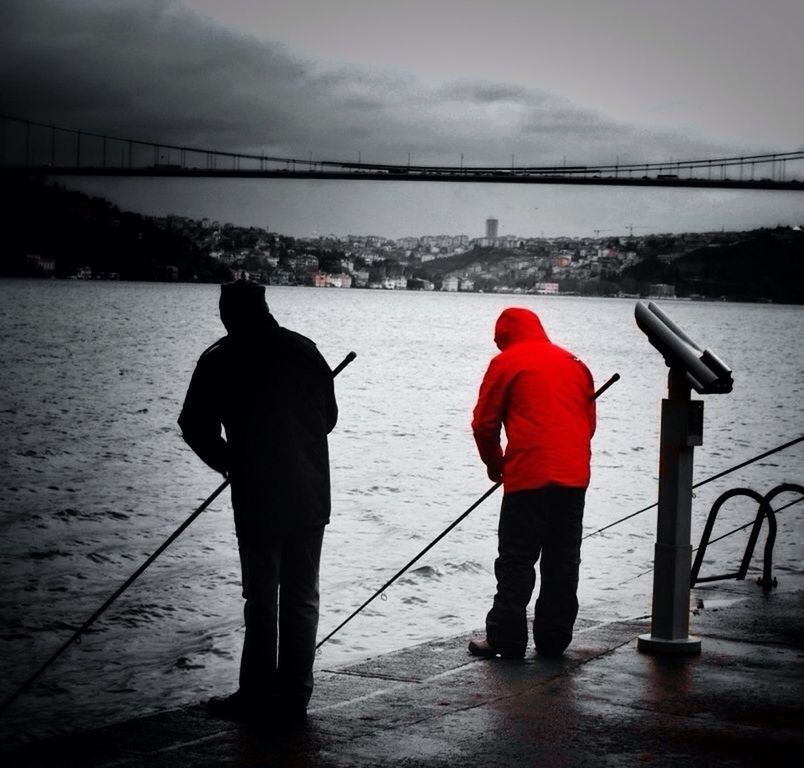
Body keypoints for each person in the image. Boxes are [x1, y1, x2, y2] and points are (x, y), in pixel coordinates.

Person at [178, 279, 338, 722]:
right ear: (266, 308)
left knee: (263, 600)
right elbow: (328, 419)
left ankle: (256, 695)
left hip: (258, 496)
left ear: (228, 314)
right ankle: (294, 697)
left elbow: (194, 425)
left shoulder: (220, 359)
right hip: (309, 494)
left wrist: (229, 461)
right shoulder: (305, 351)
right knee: (302, 598)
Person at [469, 307, 596, 659]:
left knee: (516, 559)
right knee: (563, 560)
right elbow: (587, 424)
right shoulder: (575, 363)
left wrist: (497, 467)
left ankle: (506, 640)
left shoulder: (506, 363)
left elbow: (483, 425)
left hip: (528, 477)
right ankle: (554, 640)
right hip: (573, 476)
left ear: (504, 338)